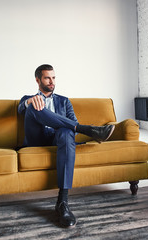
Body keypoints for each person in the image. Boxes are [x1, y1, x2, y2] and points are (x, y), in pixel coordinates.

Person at [18, 64, 115, 228]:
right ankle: (89, 130)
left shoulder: (64, 101)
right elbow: (20, 109)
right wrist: (28, 102)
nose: (51, 81)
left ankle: (62, 202)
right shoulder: (27, 98)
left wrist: (70, 127)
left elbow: (72, 125)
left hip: (58, 139)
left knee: (67, 132)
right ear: (37, 80)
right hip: (37, 139)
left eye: (53, 77)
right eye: (47, 78)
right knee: (34, 105)